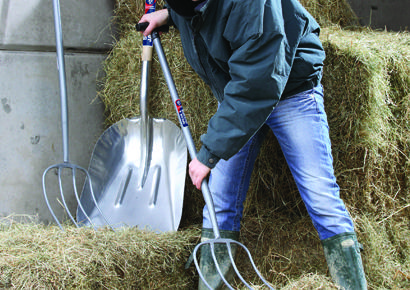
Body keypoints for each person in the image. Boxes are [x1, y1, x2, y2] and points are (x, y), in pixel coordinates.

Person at [140, 0, 367, 289]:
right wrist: (170, 14)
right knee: (218, 203)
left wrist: (208, 154)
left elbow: (257, 84)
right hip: (238, 94)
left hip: (289, 90)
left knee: (320, 196)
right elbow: (203, 13)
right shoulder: (186, 4)